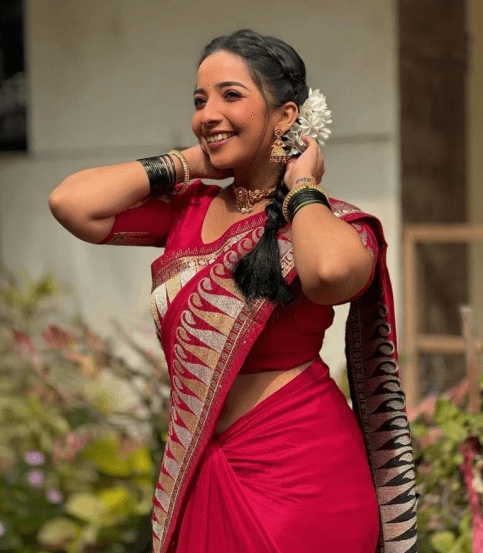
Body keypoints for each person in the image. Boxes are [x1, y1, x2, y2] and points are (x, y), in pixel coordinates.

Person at [49, 29, 417, 553]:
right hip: (203, 464)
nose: (208, 112)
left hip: (301, 475)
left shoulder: (325, 223)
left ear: (286, 115)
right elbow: (71, 204)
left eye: (230, 95)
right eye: (200, 101)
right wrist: (189, 161)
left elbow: (331, 273)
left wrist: (302, 186)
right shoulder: (189, 208)